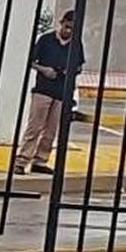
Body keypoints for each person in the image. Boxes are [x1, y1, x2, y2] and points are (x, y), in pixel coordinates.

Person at [15, 10, 85, 175]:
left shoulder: (76, 45)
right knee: (35, 127)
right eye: (66, 27)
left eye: (72, 30)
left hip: (62, 92)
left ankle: (40, 160)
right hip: (43, 89)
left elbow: (80, 65)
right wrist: (44, 70)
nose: (68, 32)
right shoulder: (46, 40)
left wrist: (72, 70)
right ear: (61, 23)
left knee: (51, 130)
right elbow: (30, 61)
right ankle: (22, 160)